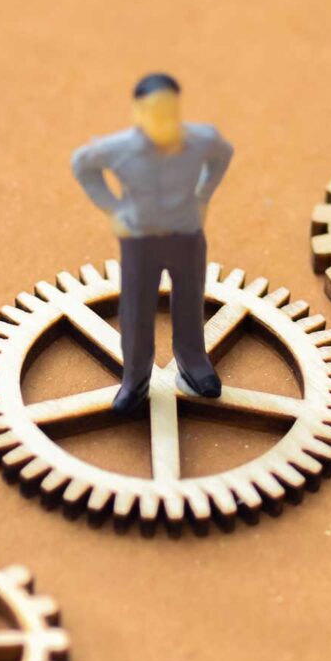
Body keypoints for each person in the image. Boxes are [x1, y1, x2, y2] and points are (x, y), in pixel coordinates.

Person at [71, 73, 234, 417]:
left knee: (190, 300)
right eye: (153, 111)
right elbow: (82, 164)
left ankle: (194, 364)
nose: (163, 119)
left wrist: (204, 194)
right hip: (140, 240)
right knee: (136, 310)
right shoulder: (119, 148)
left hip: (186, 234)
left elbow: (224, 153)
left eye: (169, 110)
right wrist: (112, 209)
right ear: (137, 112)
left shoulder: (200, 140)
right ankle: (134, 379)